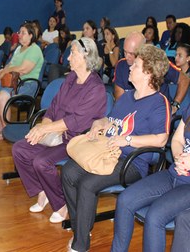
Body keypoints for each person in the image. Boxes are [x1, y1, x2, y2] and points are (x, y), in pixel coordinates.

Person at [62, 44, 171, 252]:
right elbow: (112, 120)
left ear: (148, 73)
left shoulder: (159, 102)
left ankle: (80, 245)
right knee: (68, 171)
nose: (129, 67)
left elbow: (161, 140)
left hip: (132, 162)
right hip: (107, 151)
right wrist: (100, 123)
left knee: (87, 184)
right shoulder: (128, 96)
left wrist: (127, 140)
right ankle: (81, 228)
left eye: (136, 65)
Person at [12, 38, 106, 224]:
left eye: (73, 53)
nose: (68, 57)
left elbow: (76, 121)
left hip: (76, 140)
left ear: (86, 57)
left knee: (41, 162)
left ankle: (61, 204)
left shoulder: (96, 88)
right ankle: (43, 191)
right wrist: (43, 128)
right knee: (20, 149)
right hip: (56, 134)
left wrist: (46, 129)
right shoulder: (70, 78)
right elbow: (54, 107)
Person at [111, 104, 190, 252]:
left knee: (154, 217)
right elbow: (177, 139)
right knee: (125, 200)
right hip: (174, 173)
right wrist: (180, 159)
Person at [0, 22, 44, 140]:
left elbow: (24, 69)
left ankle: (7, 131)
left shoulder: (35, 49)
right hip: (12, 81)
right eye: (19, 32)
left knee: (2, 96)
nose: (19, 35)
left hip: (27, 84)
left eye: (23, 33)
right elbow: (10, 65)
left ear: (31, 35)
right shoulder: (18, 49)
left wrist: (7, 70)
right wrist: (3, 71)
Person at [113, 31, 189, 114]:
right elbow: (120, 101)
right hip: (132, 115)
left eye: (131, 53)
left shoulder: (157, 63)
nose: (127, 57)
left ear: (144, 50)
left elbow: (184, 79)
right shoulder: (121, 65)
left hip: (158, 113)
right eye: (125, 52)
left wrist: (175, 105)